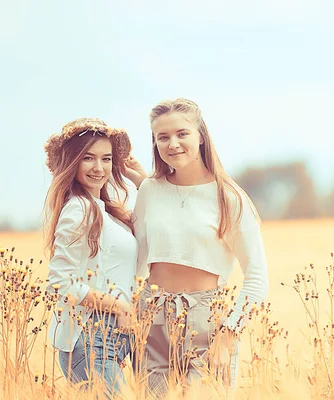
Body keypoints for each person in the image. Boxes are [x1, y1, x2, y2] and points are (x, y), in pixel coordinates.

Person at [124, 98, 269, 396]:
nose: (172, 144)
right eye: (162, 137)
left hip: (207, 322)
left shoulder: (230, 197)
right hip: (152, 318)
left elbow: (257, 278)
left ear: (200, 135)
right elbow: (134, 255)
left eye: (182, 134)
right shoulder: (149, 190)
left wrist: (227, 335)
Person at [43, 118, 138, 395]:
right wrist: (119, 306)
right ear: (73, 162)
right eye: (88, 158)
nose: (99, 168)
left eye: (106, 158)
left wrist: (141, 180)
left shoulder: (105, 210)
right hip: (90, 337)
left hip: (109, 338)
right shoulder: (79, 209)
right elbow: (60, 283)